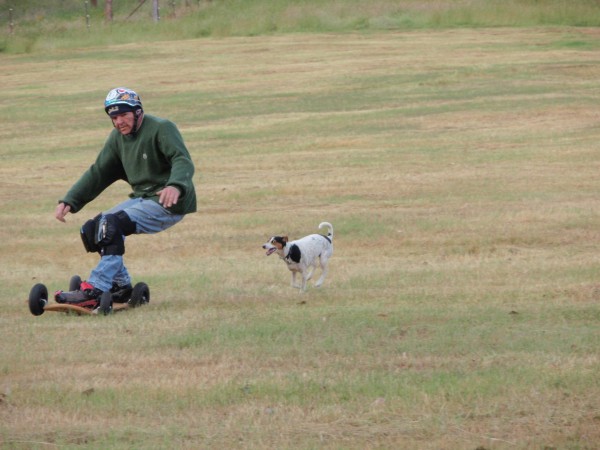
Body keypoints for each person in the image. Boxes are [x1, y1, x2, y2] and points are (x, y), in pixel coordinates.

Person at [54, 87, 196, 303]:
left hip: (168, 202)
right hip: (142, 199)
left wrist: (175, 185)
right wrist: (70, 200)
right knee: (93, 228)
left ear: (138, 112)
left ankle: (97, 287)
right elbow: (99, 172)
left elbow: (181, 159)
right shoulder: (117, 138)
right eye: (114, 117)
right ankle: (120, 286)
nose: (119, 122)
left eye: (123, 115)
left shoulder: (162, 128)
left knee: (110, 225)